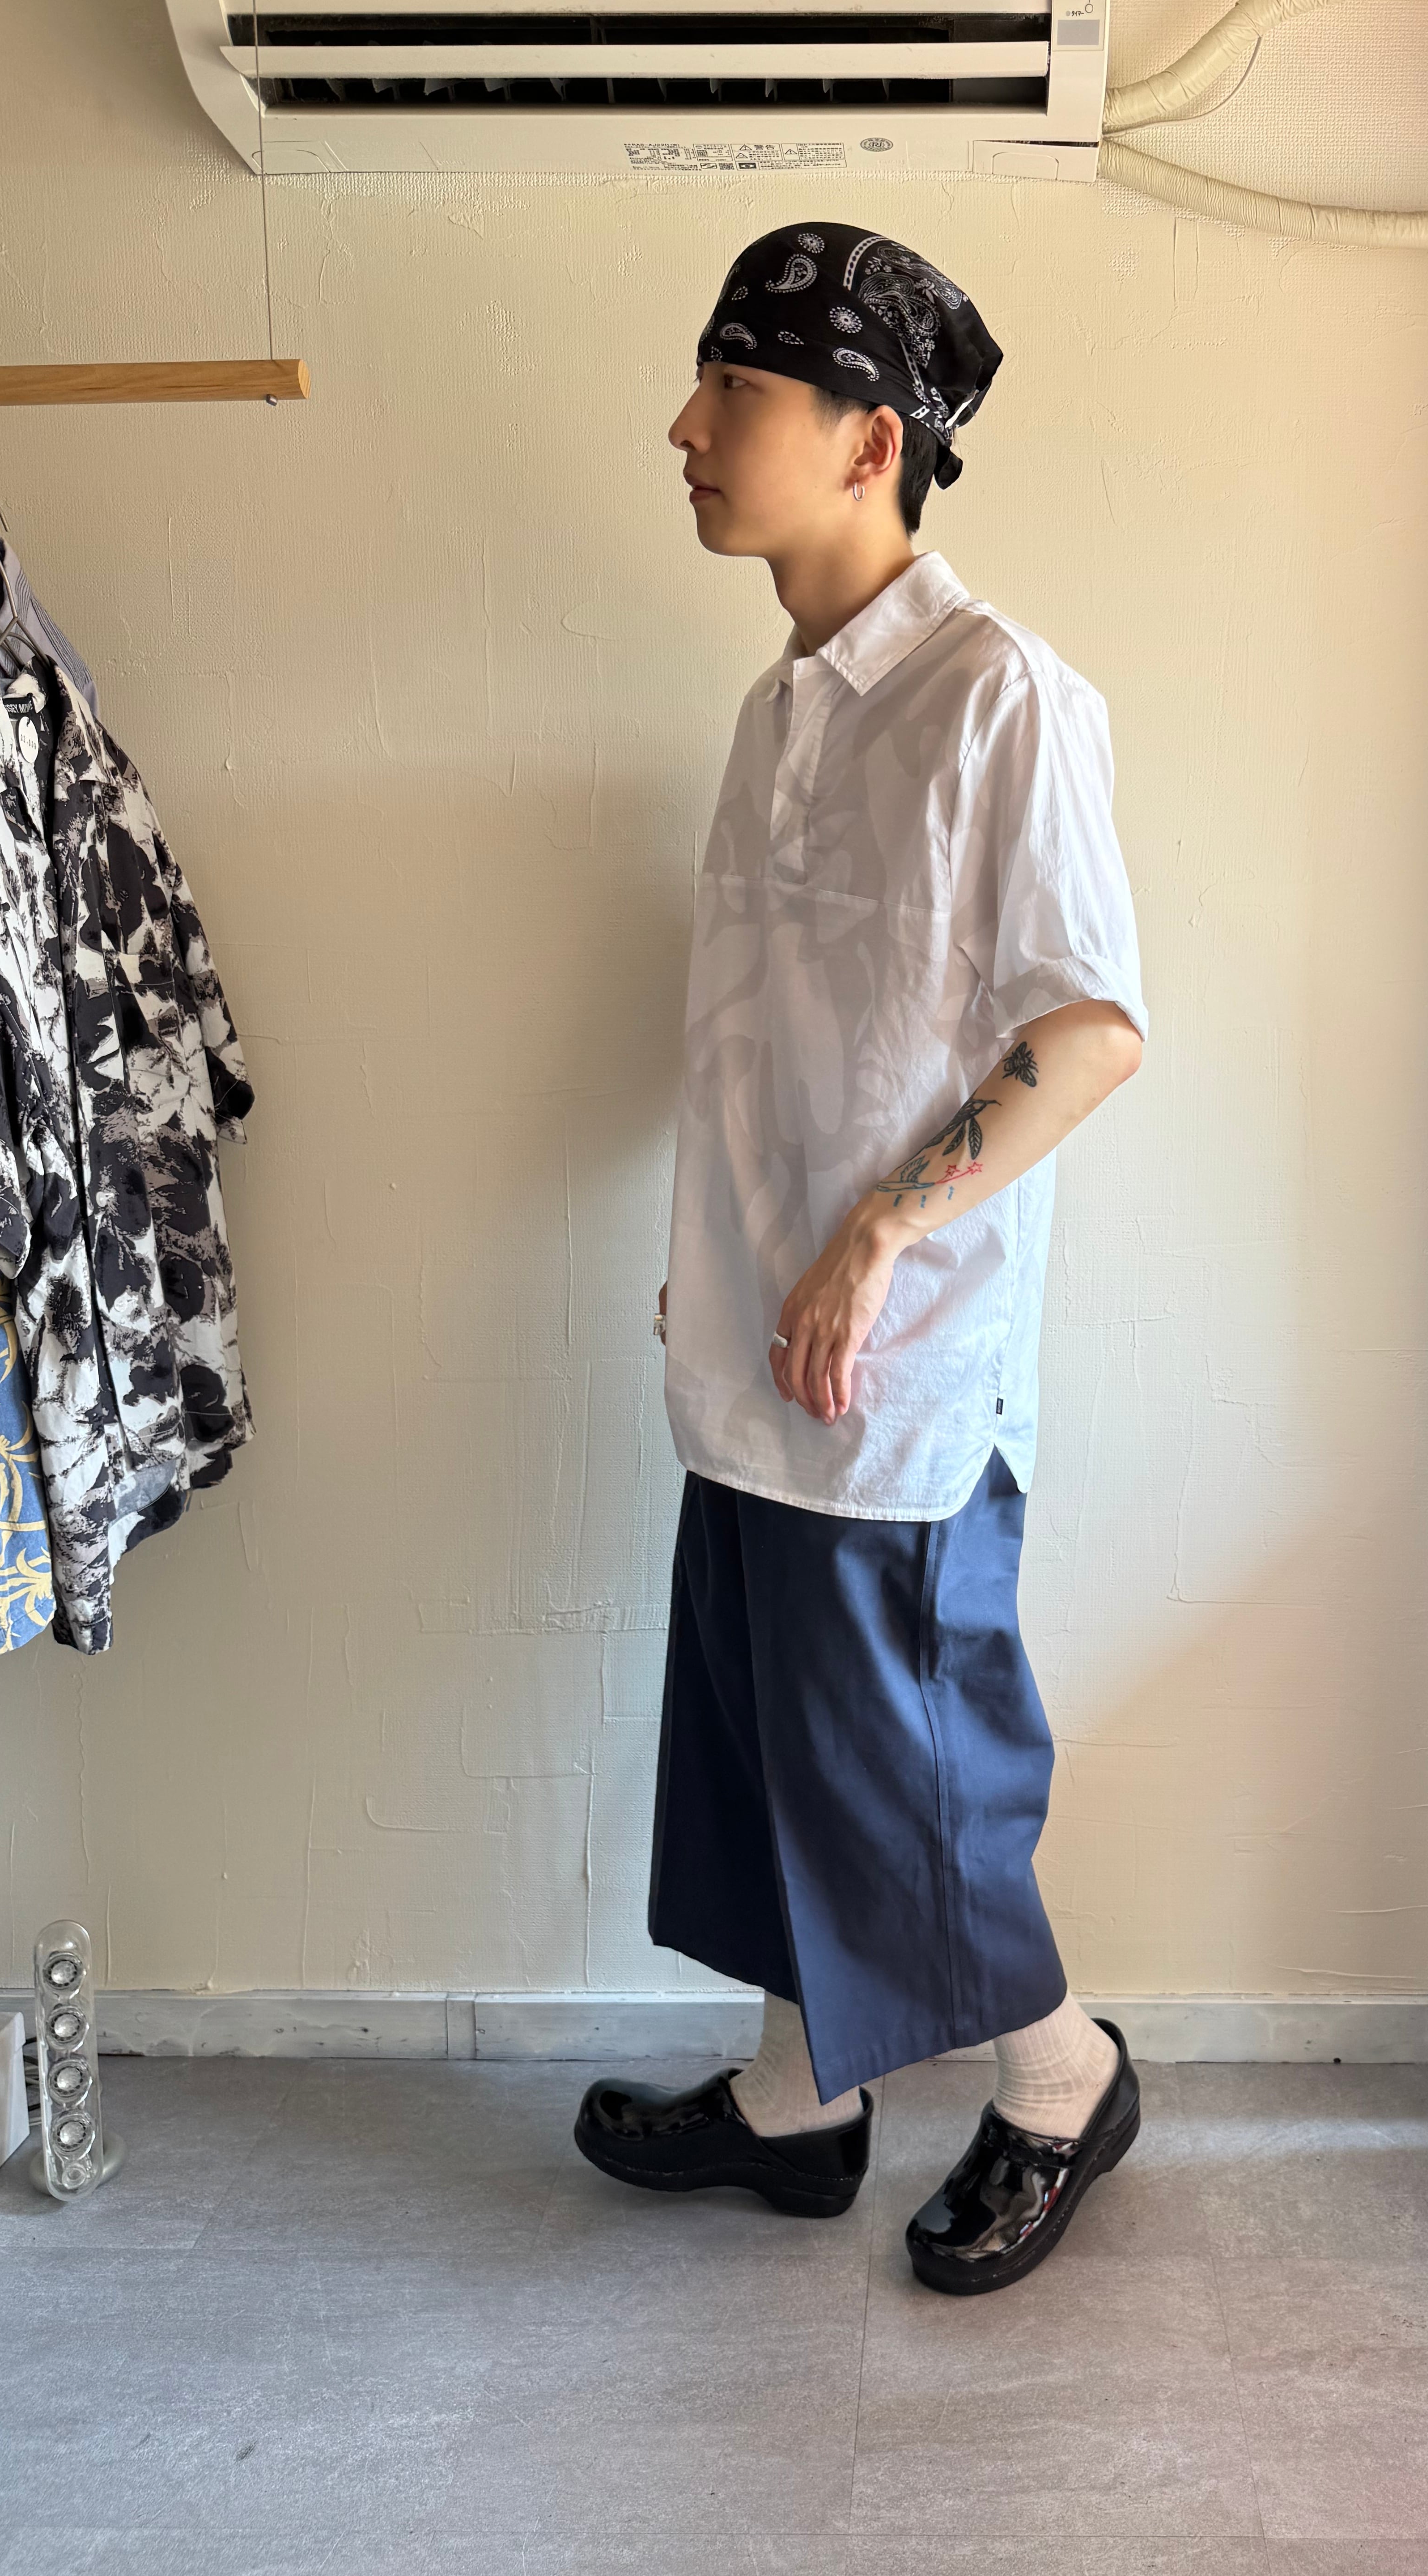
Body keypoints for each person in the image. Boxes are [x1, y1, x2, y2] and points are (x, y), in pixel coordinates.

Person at [572, 222, 1149, 2295]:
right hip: (755, 1347)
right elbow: (778, 1042)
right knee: (765, 1752)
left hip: (895, 1372)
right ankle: (797, 2105)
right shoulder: (777, 713)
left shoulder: (1003, 701)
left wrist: (880, 1229)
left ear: (868, 438)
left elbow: (1089, 1029)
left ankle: (1064, 2084)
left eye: (732, 388)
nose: (686, 427)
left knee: (908, 1778)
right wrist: (724, 1255)